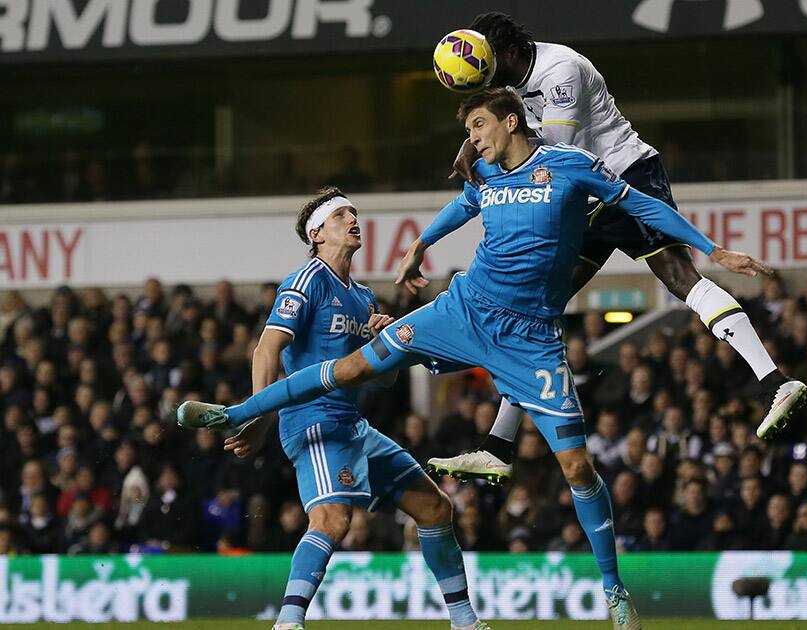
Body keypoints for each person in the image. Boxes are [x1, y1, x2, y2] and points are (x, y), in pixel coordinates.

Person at [178, 88, 770, 629]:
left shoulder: (568, 166)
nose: (473, 139)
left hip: (531, 338)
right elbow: (462, 206)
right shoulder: (481, 172)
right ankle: (235, 414)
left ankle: (614, 593)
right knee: (357, 369)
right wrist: (421, 244)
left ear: (512, 120)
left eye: (481, 125)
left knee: (575, 469)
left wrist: (711, 249)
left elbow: (643, 207)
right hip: (462, 310)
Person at [429, 13, 807, 483]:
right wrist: (479, 136)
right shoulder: (509, 89)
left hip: (626, 175)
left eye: (487, 67)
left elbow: (555, 153)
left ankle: (776, 381)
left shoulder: (560, 70)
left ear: (506, 53)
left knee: (681, 280)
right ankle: (498, 446)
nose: (485, 78)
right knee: (538, 308)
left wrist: (486, 148)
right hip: (582, 196)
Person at [184, 188, 489, 630]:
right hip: (312, 421)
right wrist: (257, 414)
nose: (353, 219)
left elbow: (382, 378)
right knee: (331, 518)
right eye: (341, 214)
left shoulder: (364, 298)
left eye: (354, 212)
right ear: (317, 232)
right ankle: (287, 623)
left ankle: (465, 622)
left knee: (436, 507)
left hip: (353, 426)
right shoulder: (308, 278)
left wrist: (383, 344)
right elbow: (267, 349)